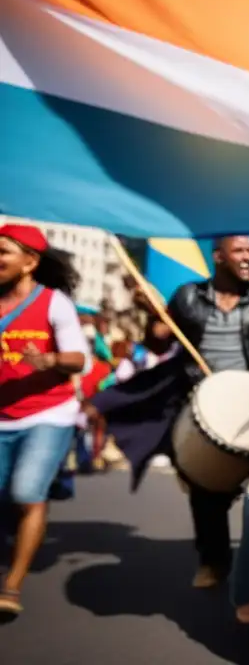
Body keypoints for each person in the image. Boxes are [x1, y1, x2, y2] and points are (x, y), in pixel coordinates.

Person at [93, 236, 249, 589]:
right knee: (206, 492)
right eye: (239, 251)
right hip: (201, 402)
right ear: (218, 257)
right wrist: (151, 313)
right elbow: (159, 341)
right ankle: (213, 561)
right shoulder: (188, 296)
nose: (246, 257)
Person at [0, 224, 90, 617]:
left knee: (25, 491)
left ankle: (12, 586)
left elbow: (79, 359)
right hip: (2, 417)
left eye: (3, 251)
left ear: (29, 262)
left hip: (47, 414)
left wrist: (49, 360)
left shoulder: (54, 303)